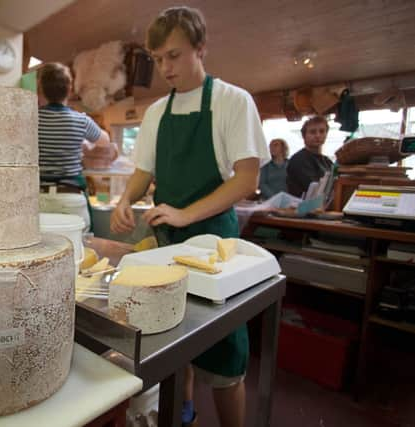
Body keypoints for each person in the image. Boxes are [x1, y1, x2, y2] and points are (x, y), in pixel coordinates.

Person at [110, 7, 269, 427]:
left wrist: (185, 214)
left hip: (215, 245)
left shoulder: (232, 101)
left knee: (225, 361)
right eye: (158, 58)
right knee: (177, 349)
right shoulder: (157, 112)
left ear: (201, 48)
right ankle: (186, 417)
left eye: (174, 56)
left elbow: (247, 179)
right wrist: (127, 200)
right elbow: (143, 172)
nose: (165, 68)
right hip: (166, 248)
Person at [37, 62, 110, 187]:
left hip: (39, 193)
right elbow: (105, 141)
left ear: (41, 89)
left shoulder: (32, 119)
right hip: (72, 194)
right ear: (70, 89)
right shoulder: (81, 120)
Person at [286, 116, 333, 197]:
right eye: (312, 132)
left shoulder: (327, 161)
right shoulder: (298, 160)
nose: (318, 135)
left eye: (322, 131)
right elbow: (316, 189)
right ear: (304, 136)